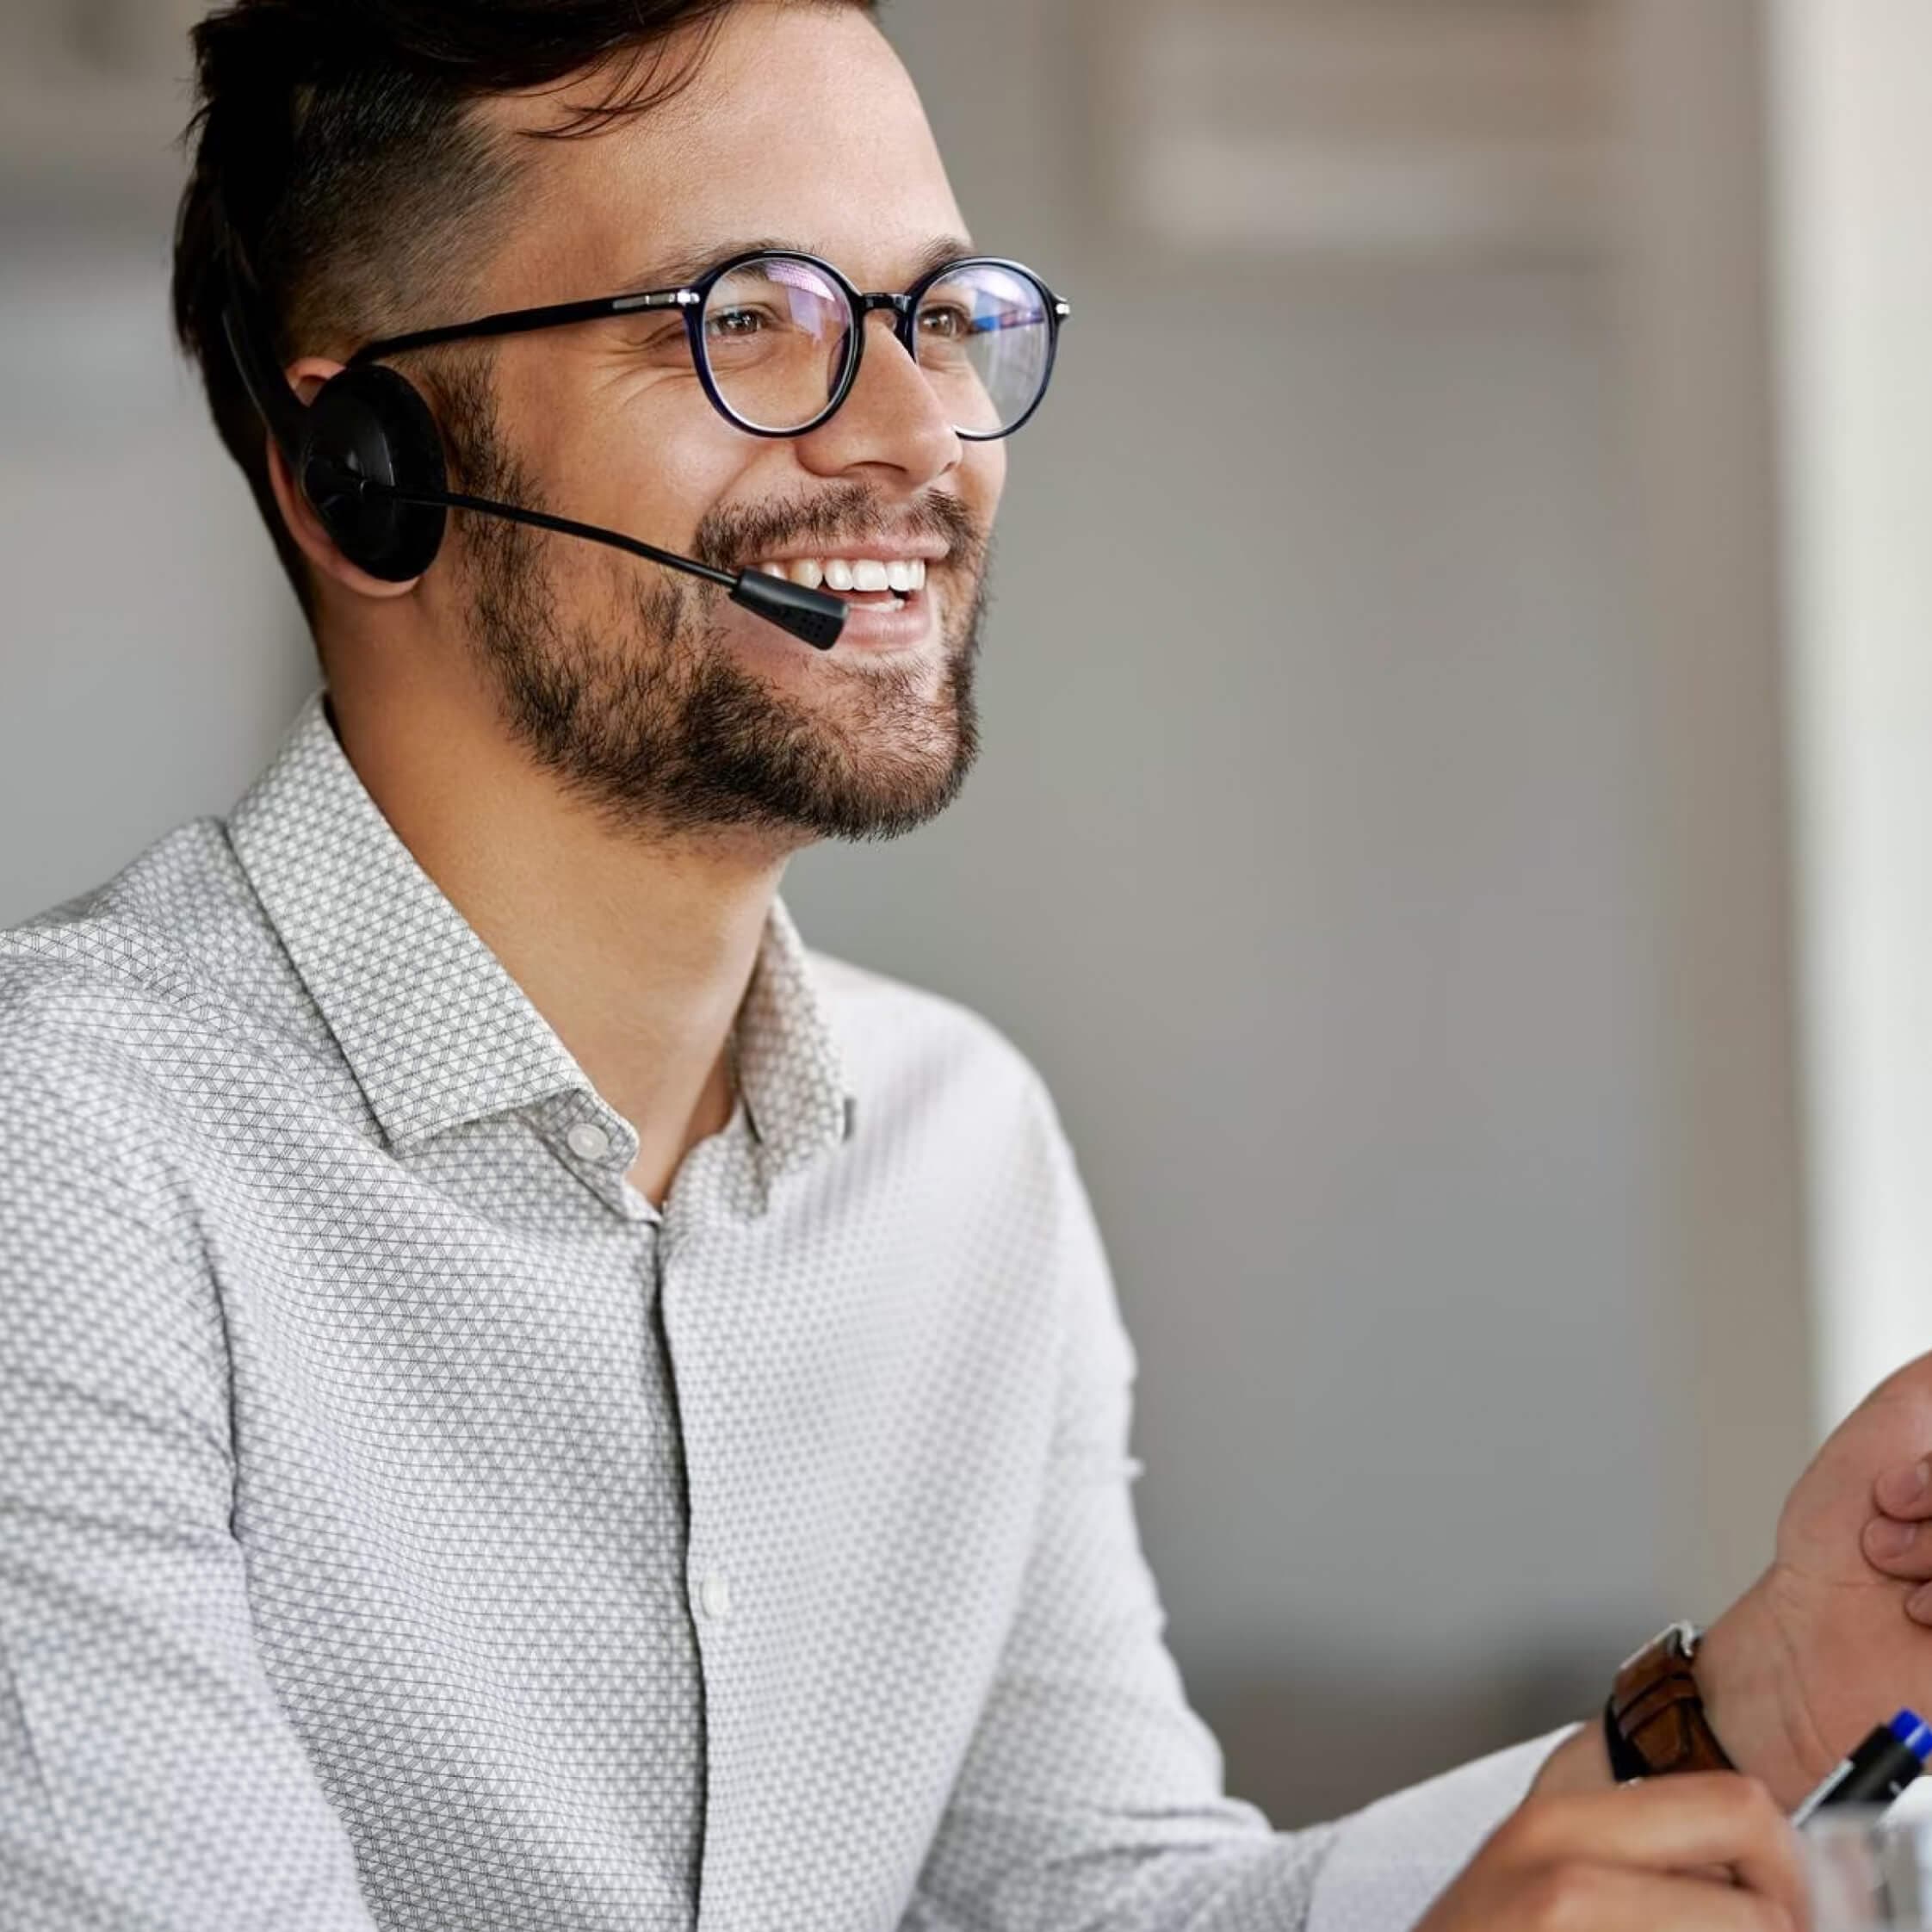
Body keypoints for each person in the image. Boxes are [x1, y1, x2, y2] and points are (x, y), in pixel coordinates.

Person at [4, 2, 1932, 1926]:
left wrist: (1759, 1699)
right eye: (745, 319)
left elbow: (1098, 1906)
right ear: (367, 468)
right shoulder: (69, 1172)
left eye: (936, 317)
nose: (924, 437)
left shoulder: (959, 1151)